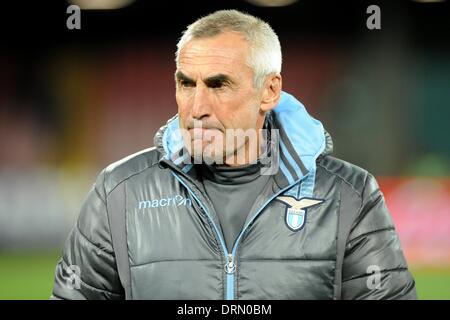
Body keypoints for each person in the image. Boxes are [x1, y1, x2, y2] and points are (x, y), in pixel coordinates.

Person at [51, 9, 417, 300]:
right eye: (186, 83)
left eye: (218, 84)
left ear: (269, 91)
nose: (196, 108)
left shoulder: (349, 196)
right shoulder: (119, 192)